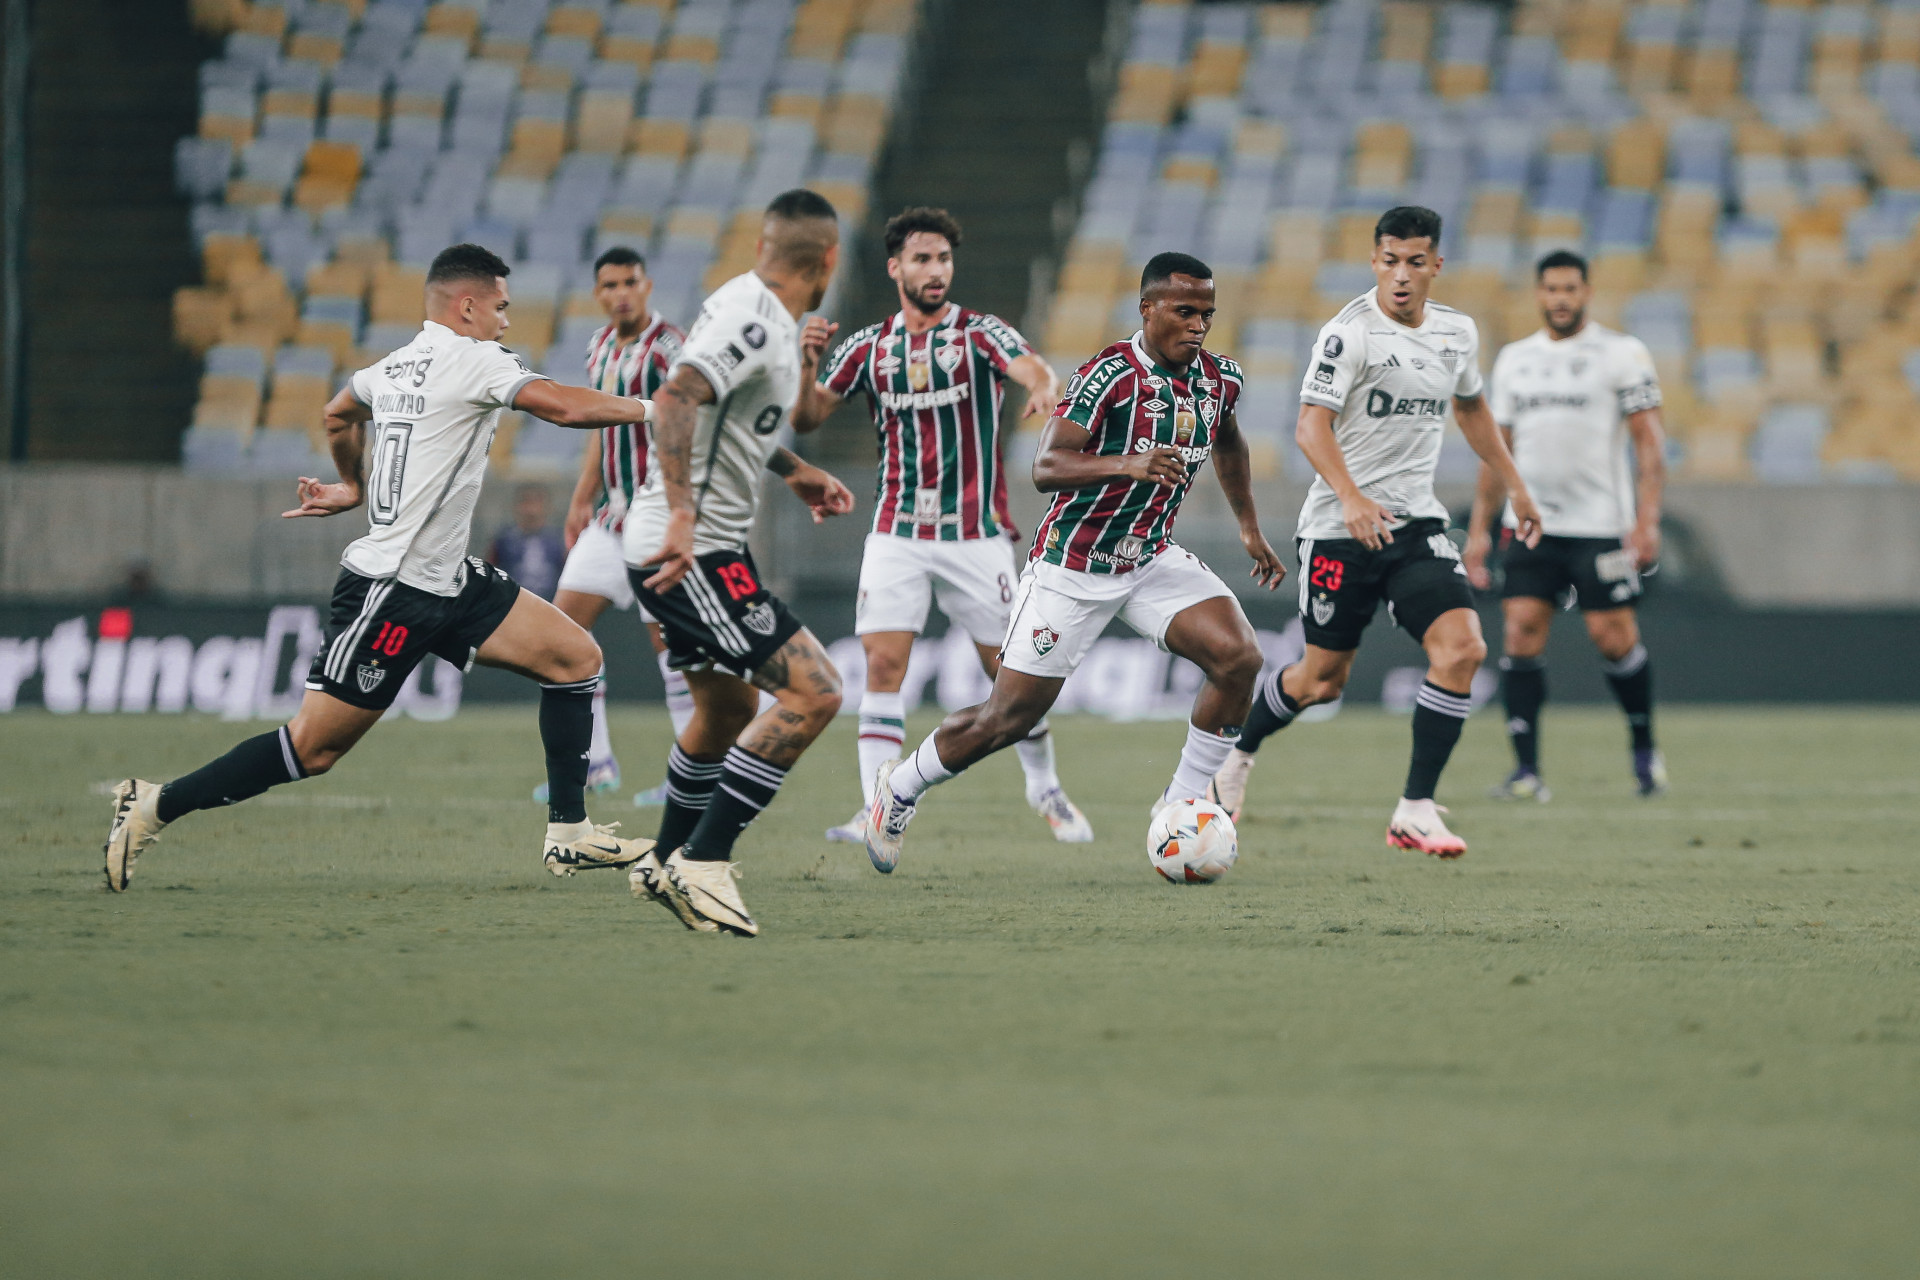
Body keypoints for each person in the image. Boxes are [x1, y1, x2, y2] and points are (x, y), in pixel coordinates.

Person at [103, 243, 687, 891]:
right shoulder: (475, 359)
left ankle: (569, 833)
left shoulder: (392, 365)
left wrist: (353, 486)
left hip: (450, 579)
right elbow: (565, 407)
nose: (506, 321)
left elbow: (337, 413)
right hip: (392, 590)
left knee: (575, 658)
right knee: (313, 749)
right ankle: (153, 804)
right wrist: (656, 408)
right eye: (500, 307)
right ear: (468, 306)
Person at [863, 251, 1286, 875]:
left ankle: (1182, 802)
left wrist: (1248, 526)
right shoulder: (1107, 375)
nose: (1198, 325)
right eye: (1184, 311)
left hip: (1149, 556)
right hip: (1073, 565)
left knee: (1240, 658)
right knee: (1008, 718)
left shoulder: (1220, 378)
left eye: (1207, 314)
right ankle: (899, 789)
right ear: (1147, 309)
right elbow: (1046, 466)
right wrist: (1128, 464)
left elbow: (1228, 440)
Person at [1206, 206, 1544, 859]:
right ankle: (1237, 755)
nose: (1401, 275)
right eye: (1390, 261)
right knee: (1321, 681)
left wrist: (1517, 485)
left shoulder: (1457, 333)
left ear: (1436, 265)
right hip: (1340, 530)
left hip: (1414, 525)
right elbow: (1310, 427)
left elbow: (1472, 408)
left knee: (1463, 649)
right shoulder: (1349, 334)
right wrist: (1351, 497)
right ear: (1374, 262)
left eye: (1415, 262)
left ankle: (1415, 810)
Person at [790, 205, 1093, 846]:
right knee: (882, 667)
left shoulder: (979, 333)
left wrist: (1044, 388)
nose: (936, 270)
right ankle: (875, 809)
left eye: (944, 259)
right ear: (895, 268)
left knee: (1012, 678)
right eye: (923, 259)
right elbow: (809, 416)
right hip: (896, 530)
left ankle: (1044, 786)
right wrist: (807, 364)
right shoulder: (868, 347)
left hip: (974, 534)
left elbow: (1032, 367)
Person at [621, 189, 857, 937]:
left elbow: (738, 416)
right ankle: (704, 860)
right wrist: (683, 515)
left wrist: (795, 470)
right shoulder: (754, 320)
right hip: (690, 550)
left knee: (726, 711)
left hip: (687, 546)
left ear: (762, 247)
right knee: (816, 692)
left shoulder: (755, 311)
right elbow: (675, 399)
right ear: (829, 260)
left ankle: (663, 859)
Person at [1463, 249, 1668, 799]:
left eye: (1570, 289)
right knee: (1520, 632)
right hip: (1530, 526)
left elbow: (1649, 444)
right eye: (1551, 289)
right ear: (1539, 294)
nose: (1560, 299)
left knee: (1613, 637)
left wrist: (1647, 520)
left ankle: (1644, 751)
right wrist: (1480, 529)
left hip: (1601, 525)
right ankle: (1526, 772)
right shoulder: (1514, 360)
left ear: (1587, 293)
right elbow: (1496, 452)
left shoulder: (1622, 353)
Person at [532, 245, 690, 807]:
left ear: (647, 286)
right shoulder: (598, 346)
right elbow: (601, 430)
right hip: (609, 519)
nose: (621, 293)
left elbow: (688, 425)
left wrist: (683, 510)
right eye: (610, 285)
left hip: (656, 517)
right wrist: (581, 498)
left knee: (673, 650)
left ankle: (690, 777)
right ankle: (594, 762)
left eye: (630, 282)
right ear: (597, 293)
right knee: (559, 635)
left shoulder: (670, 348)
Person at [488, 483, 566, 600]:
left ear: (547, 507)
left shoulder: (558, 541)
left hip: (549, 604)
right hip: (511, 603)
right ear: (516, 506)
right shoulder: (503, 541)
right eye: (526, 502)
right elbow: (489, 576)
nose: (531, 510)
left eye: (537, 502)